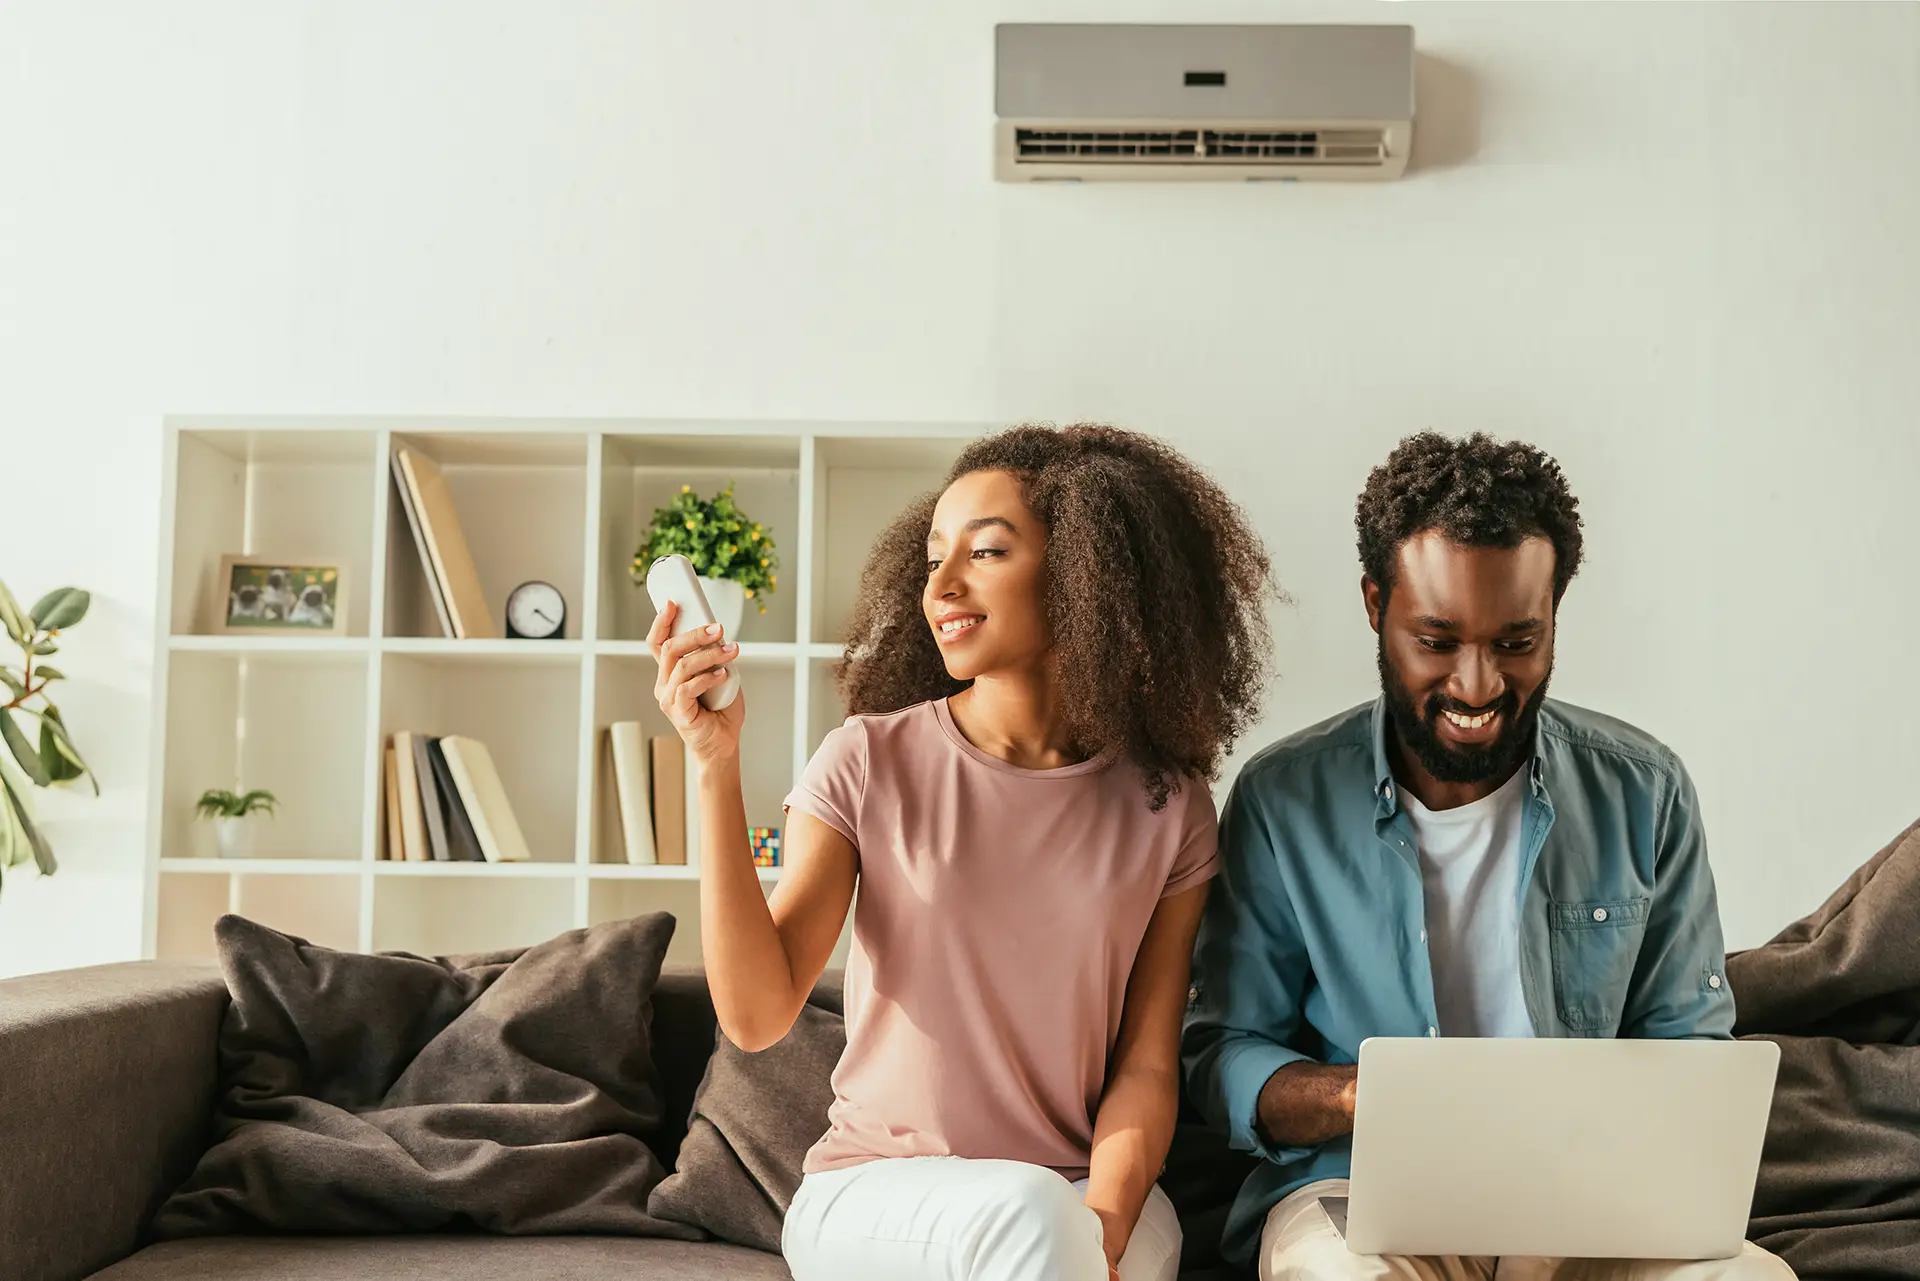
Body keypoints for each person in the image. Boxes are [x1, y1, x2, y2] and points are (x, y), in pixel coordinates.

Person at [648, 424, 1276, 1281]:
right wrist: (713, 765)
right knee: (1031, 1220)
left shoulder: (1167, 805)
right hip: (877, 1191)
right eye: (933, 555)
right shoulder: (869, 759)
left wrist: (1104, 1226)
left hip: (1079, 1194)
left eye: (985, 552)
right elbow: (757, 1013)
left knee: (1062, 1224)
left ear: (1088, 573)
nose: (941, 584)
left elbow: (1146, 1065)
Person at [1182, 433, 1794, 1280]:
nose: (1476, 685)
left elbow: (1690, 1045)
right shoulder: (1284, 800)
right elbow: (1223, 1052)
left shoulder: (1645, 790)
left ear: (1554, 614)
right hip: (1358, 1200)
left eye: (1516, 642)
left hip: (1594, 1208)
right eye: (1437, 641)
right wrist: (1364, 1098)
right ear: (1374, 604)